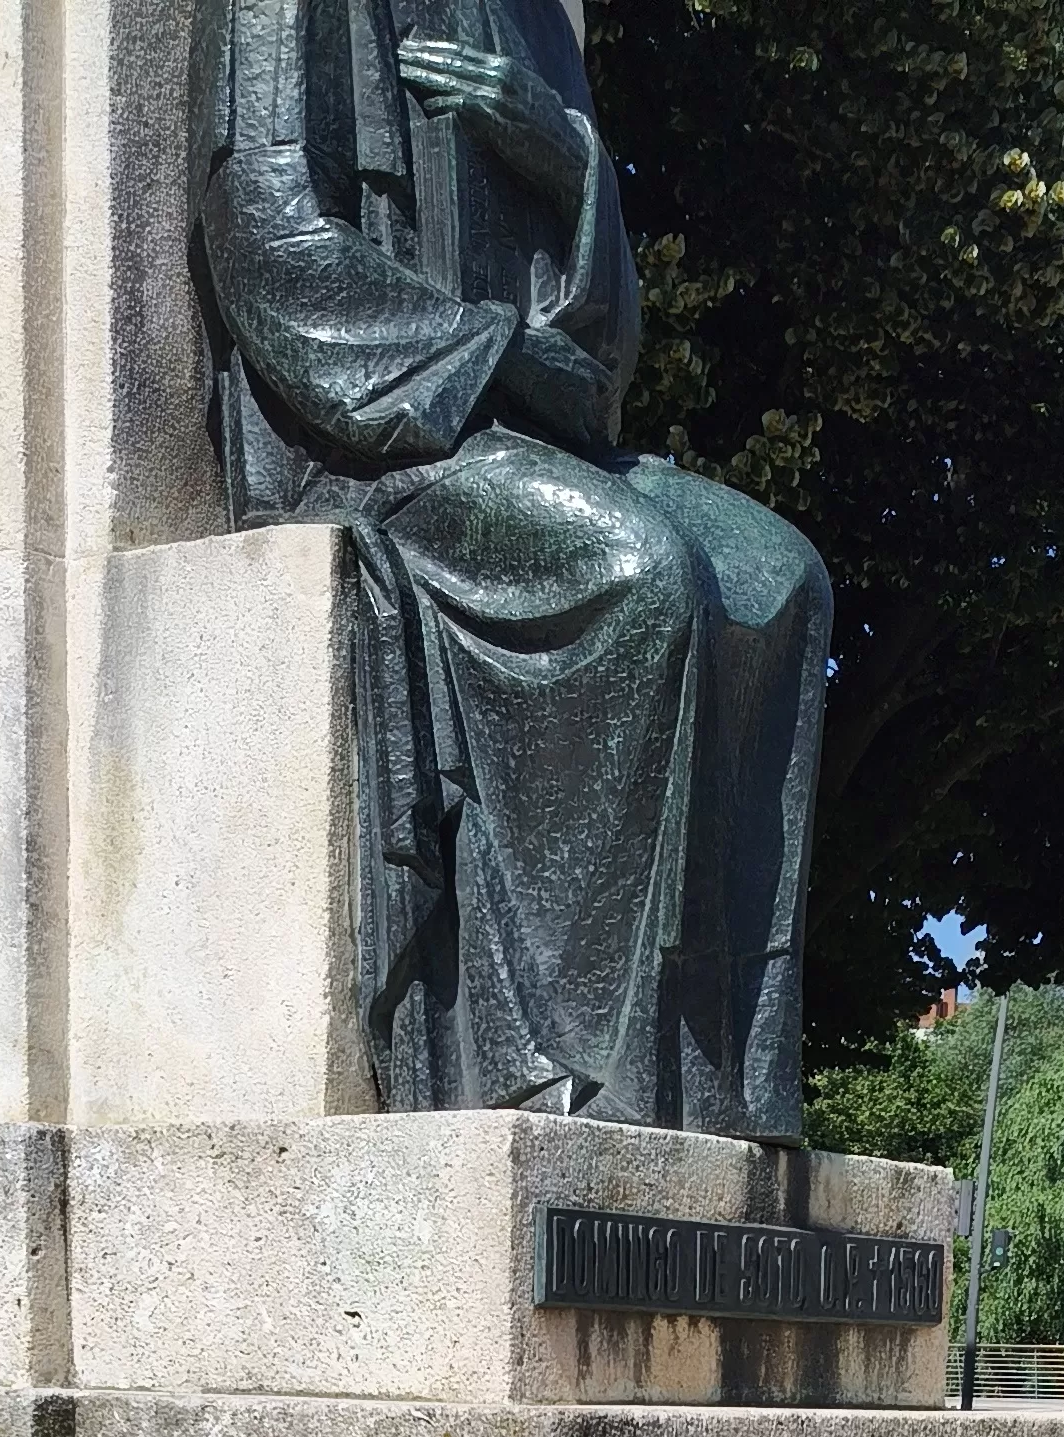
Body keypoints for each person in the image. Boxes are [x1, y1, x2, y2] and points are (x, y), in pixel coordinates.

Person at [191, 0, 830, 1137]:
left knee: (781, 577)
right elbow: (270, 251)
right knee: (639, 575)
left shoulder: (537, 23)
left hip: (530, 431)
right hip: (379, 442)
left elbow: (602, 367)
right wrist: (503, 351)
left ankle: (718, 1078)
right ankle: (589, 1062)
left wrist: (573, 163)